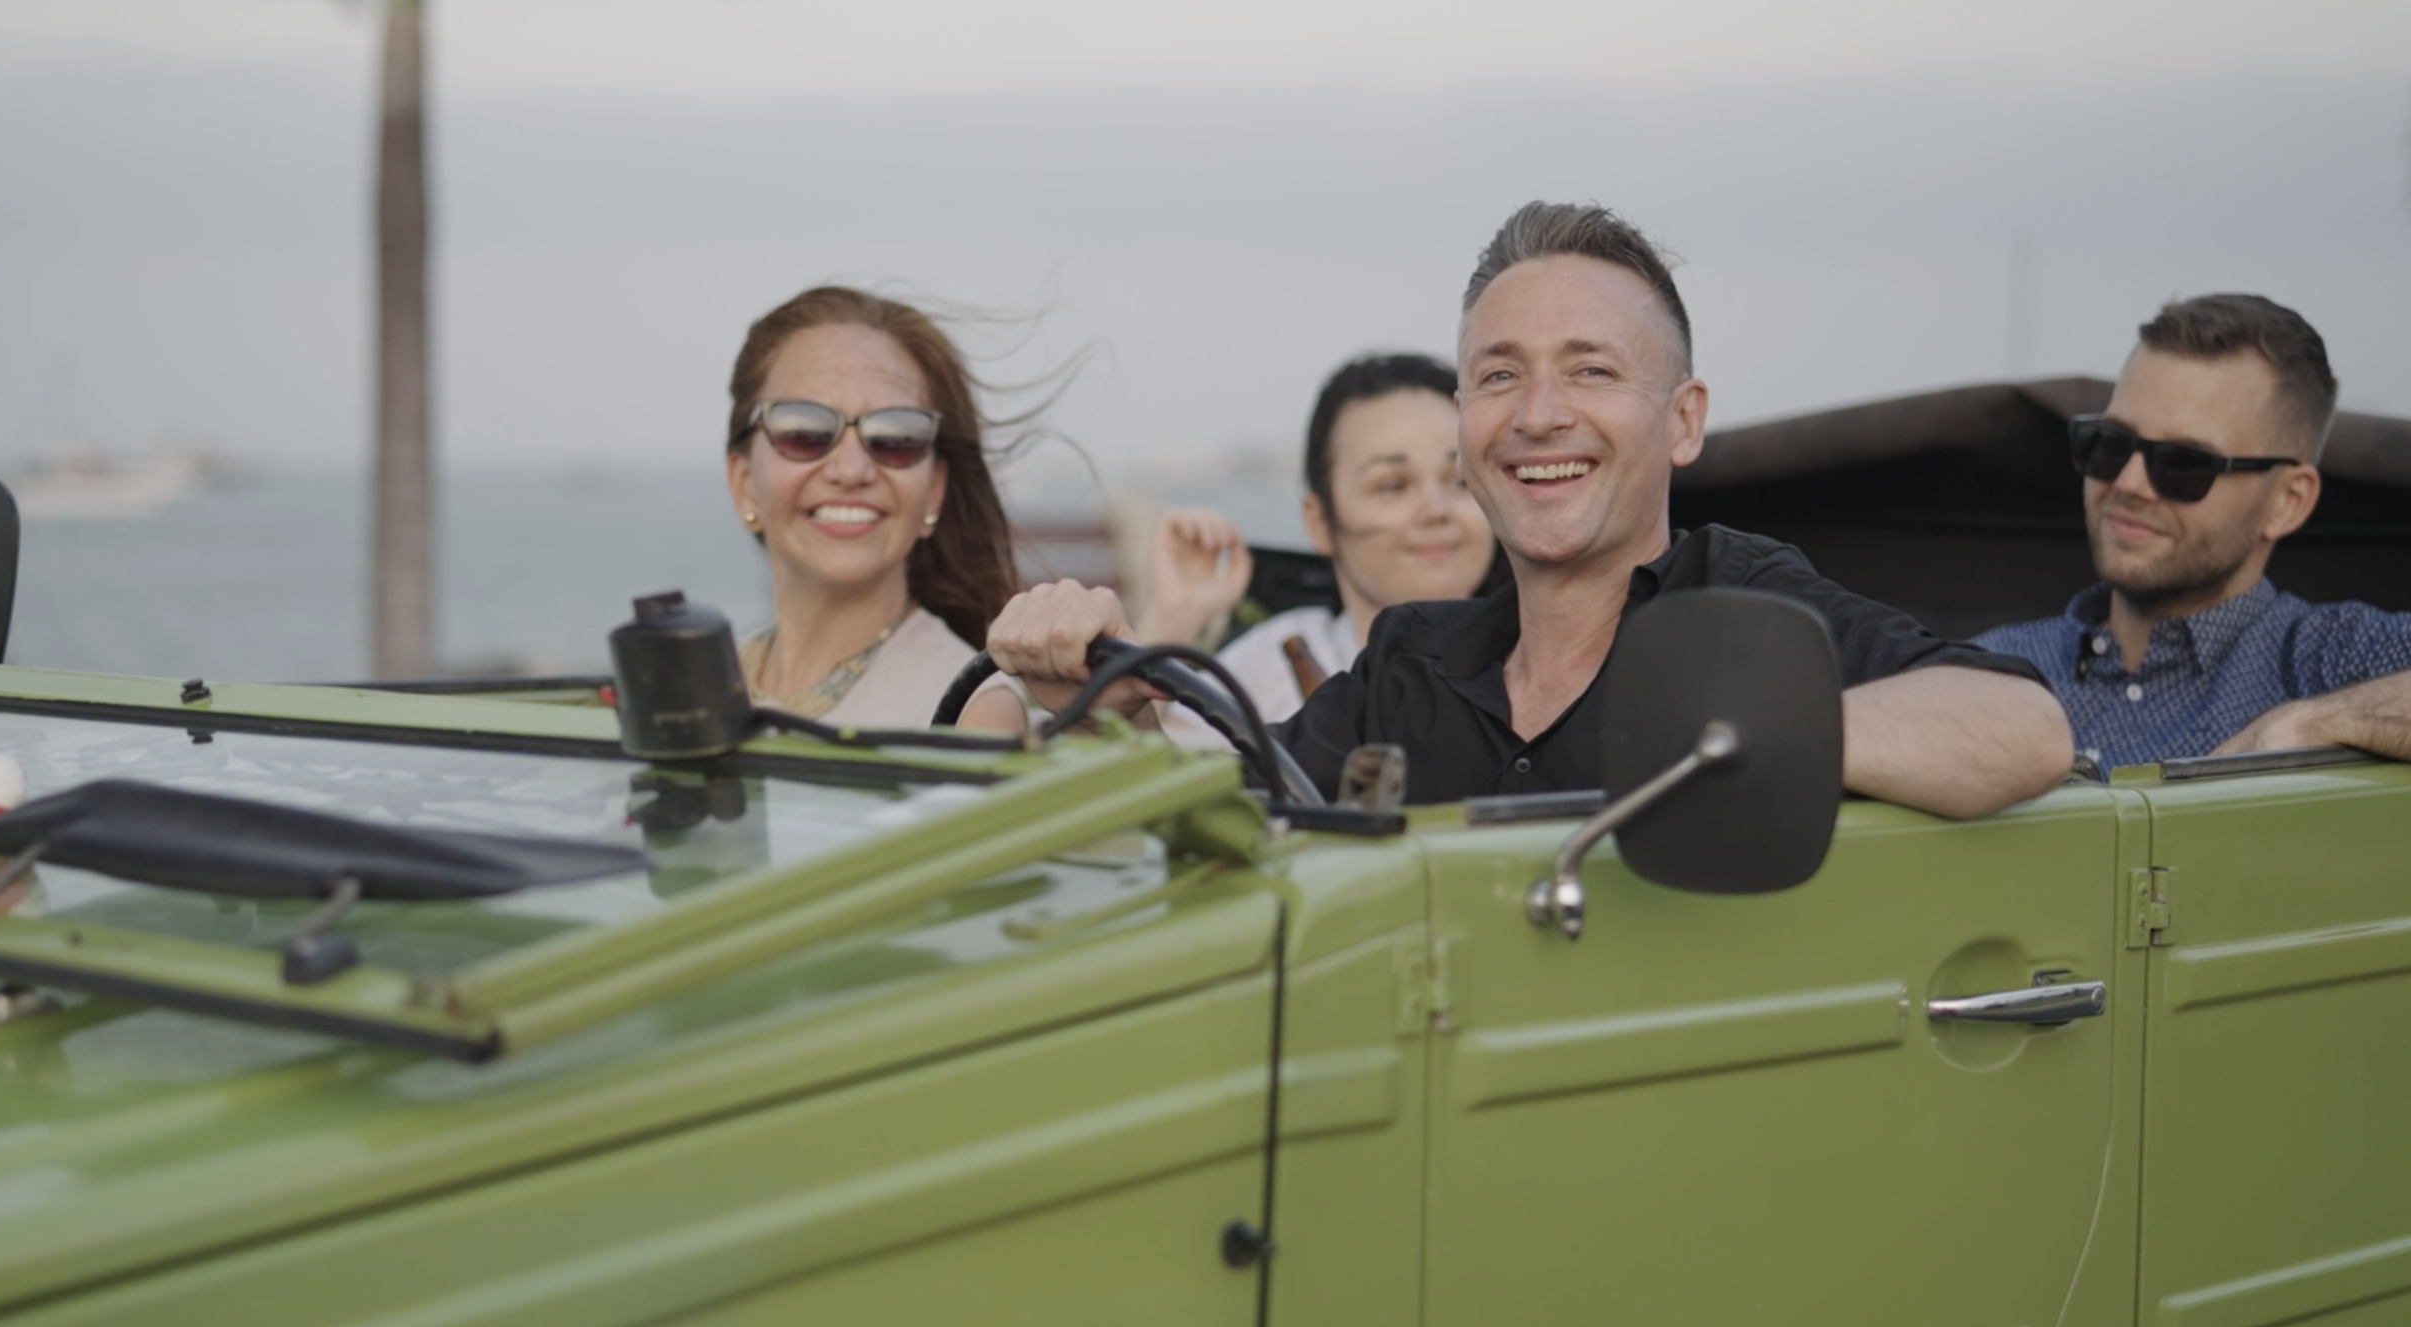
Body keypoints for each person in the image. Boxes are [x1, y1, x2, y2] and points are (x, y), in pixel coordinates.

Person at [968, 201, 2074, 819]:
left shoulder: (1738, 594)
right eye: (1499, 377)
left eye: (1589, 371)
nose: (1538, 415)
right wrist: (1106, 692)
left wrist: (1743, 734)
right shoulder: (1410, 656)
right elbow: (1236, 809)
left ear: (1682, 422)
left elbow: (2022, 730)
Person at [1973, 295, 2411, 769]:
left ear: (2287, 502)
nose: (2128, 483)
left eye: (2184, 463)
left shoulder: (2331, 661)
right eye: (2110, 444)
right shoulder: (1991, 664)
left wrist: (2306, 726)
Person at [1134, 353, 1497, 729]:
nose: (1435, 510)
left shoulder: (1542, 657)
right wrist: (1175, 617)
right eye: (1392, 485)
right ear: (1320, 521)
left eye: (1460, 481)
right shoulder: (1274, 660)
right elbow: (1125, 763)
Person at [723, 286, 1020, 724]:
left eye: (895, 438)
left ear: (933, 490)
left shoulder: (972, 708)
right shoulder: (697, 685)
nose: (851, 470)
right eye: (803, 431)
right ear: (744, 484)